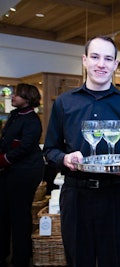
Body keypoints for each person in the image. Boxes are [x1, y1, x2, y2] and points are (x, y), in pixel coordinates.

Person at [43, 35, 120, 267]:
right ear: (85, 60)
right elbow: (50, 149)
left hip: (117, 195)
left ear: (116, 65)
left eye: (108, 58)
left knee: (116, 261)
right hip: (76, 196)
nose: (101, 64)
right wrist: (64, 158)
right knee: (79, 260)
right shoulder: (64, 103)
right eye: (95, 57)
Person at [0, 83, 44, 267]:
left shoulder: (33, 120)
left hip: (26, 171)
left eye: (17, 94)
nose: (12, 96)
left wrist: (4, 159)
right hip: (10, 170)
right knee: (3, 212)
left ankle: (21, 258)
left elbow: (25, 147)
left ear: (27, 98)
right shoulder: (14, 115)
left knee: (19, 215)